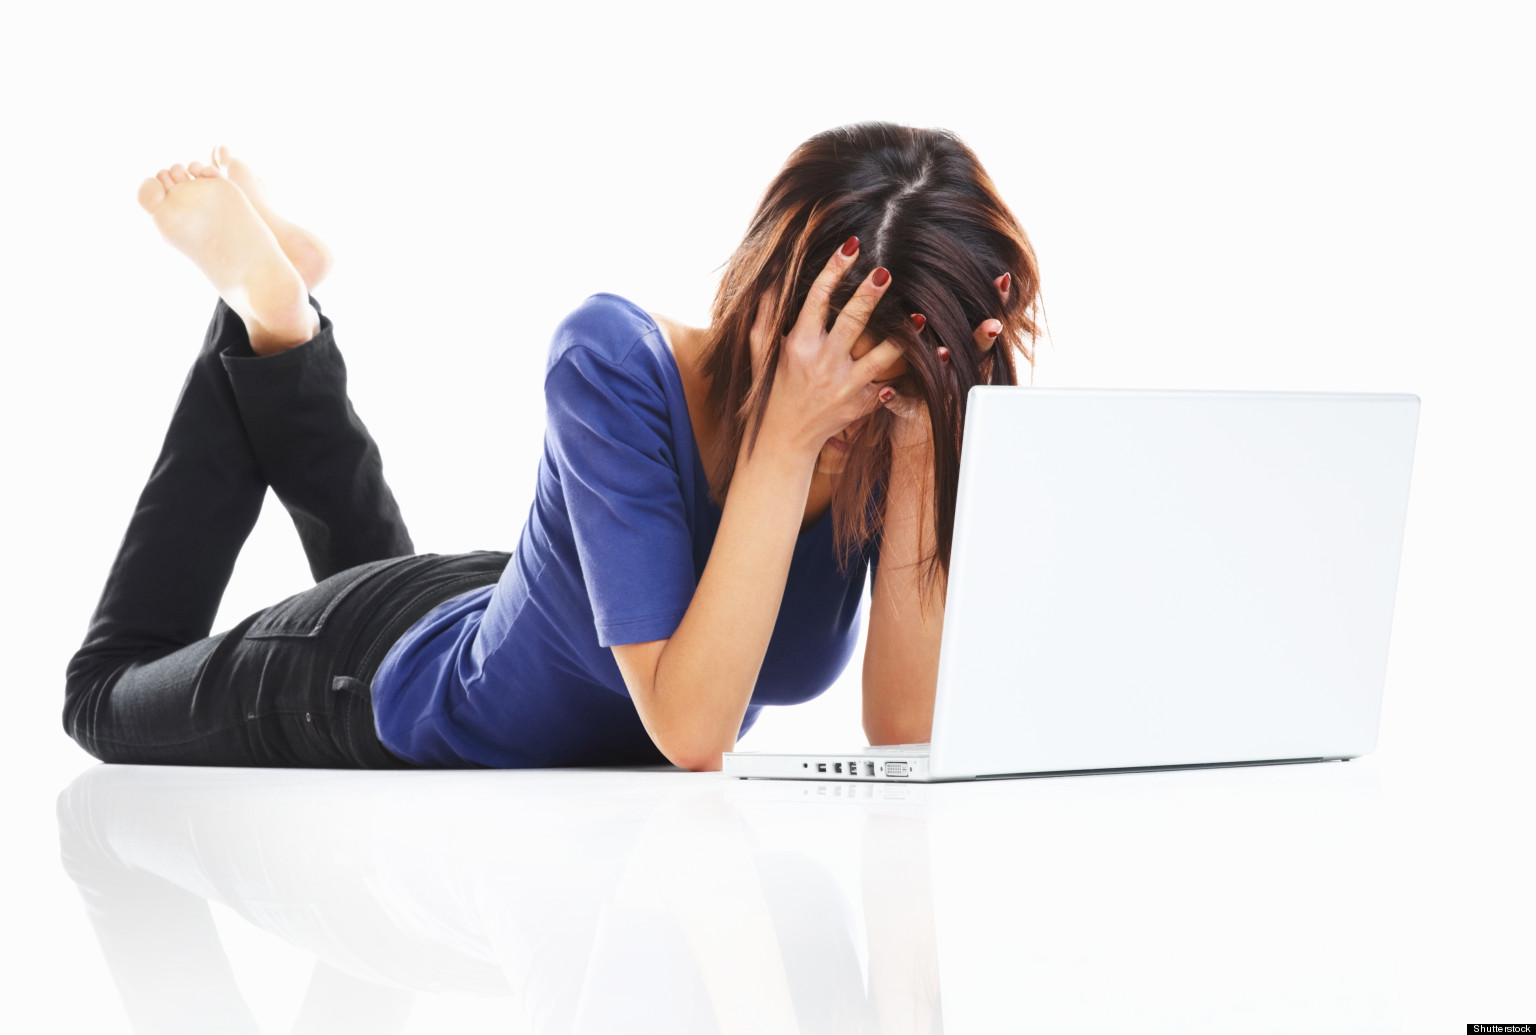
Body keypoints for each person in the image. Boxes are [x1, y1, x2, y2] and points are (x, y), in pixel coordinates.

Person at [63, 121, 1042, 772]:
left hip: (495, 618)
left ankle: (291, 323)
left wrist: (927, 432)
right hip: (362, 681)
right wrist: (788, 440)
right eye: (842, 368)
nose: (855, 416)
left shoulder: (892, 422)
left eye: (893, 387)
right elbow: (691, 733)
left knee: (426, 613)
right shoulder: (612, 357)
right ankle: (265, 314)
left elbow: (904, 730)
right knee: (104, 694)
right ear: (769, 296)